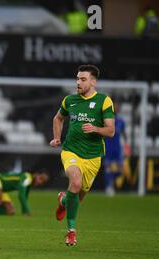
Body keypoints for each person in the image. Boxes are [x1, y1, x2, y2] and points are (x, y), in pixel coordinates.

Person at [50, 64, 115, 246]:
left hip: (93, 157)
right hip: (71, 151)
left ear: (93, 81)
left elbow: (110, 131)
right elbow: (58, 118)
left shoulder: (104, 101)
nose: (78, 82)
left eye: (83, 79)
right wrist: (56, 138)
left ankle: (63, 200)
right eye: (77, 78)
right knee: (76, 182)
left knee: (76, 197)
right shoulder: (70, 100)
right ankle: (71, 232)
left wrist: (95, 128)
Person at [104, 111, 130, 197]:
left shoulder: (120, 121)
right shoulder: (105, 120)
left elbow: (124, 134)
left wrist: (126, 146)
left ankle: (111, 182)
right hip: (108, 148)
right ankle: (109, 187)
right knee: (108, 168)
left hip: (117, 149)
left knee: (120, 170)